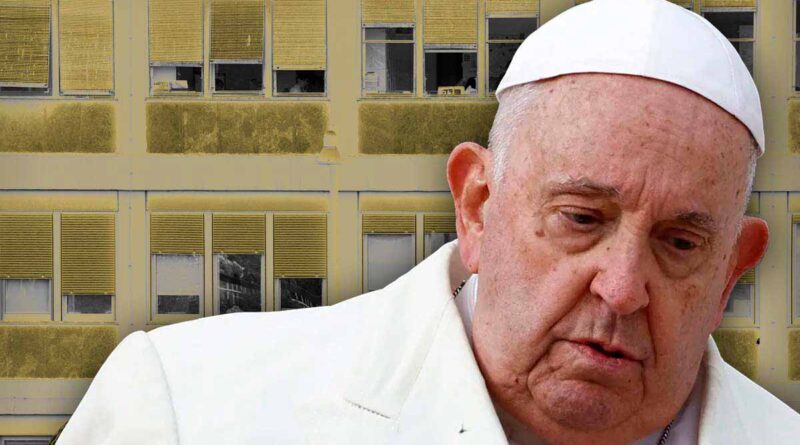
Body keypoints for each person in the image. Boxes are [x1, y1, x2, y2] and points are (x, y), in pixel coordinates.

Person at [57, 1, 800, 444]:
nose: (622, 286)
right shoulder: (192, 408)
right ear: (477, 206)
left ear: (731, 272)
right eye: (581, 218)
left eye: (680, 243)